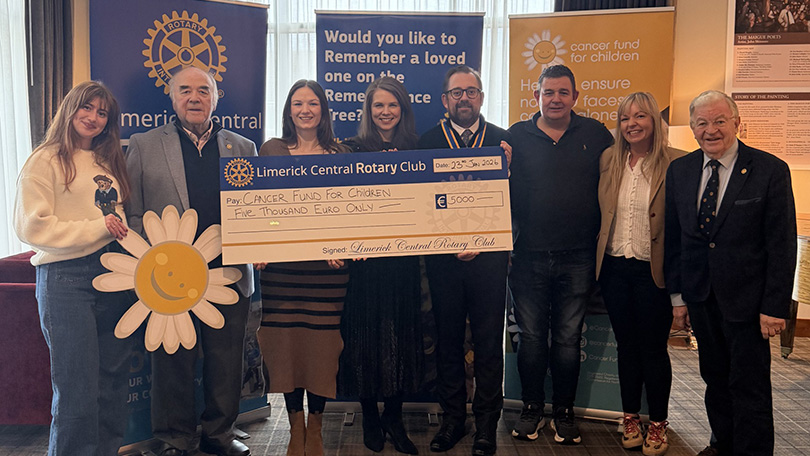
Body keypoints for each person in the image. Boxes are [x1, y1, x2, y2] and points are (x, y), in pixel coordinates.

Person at [126, 66, 256, 456]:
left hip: (228, 271)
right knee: (171, 359)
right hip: (168, 275)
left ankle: (219, 433)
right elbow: (133, 213)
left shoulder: (243, 148)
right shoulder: (144, 145)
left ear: (216, 98)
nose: (195, 97)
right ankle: (173, 436)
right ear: (172, 97)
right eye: (185, 90)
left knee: (226, 359)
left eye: (204, 90)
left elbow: (259, 211)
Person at [665, 90, 797, 456]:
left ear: (737, 123)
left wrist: (775, 306)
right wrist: (678, 297)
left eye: (719, 121)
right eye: (702, 123)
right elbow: (676, 240)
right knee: (715, 380)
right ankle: (722, 443)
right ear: (692, 127)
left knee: (749, 384)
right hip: (701, 297)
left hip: (750, 303)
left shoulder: (769, 170)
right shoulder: (681, 170)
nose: (711, 130)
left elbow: (782, 244)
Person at [14, 80, 134, 456]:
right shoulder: (45, 159)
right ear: (70, 109)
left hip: (112, 276)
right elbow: (32, 227)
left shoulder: (106, 161)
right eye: (87, 108)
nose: (94, 118)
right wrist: (98, 227)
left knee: (112, 385)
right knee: (77, 393)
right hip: (66, 279)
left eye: (102, 113)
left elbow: (114, 220)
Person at [508, 64, 613, 445]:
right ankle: (532, 408)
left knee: (569, 339)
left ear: (575, 97)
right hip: (528, 256)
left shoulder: (597, 135)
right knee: (532, 338)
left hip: (578, 256)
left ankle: (564, 411)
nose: (555, 99)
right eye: (548, 92)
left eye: (563, 92)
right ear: (535, 97)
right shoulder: (514, 137)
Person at [417, 65, 512, 456]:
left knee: (490, 342)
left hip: (490, 260)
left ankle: (487, 424)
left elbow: (517, 202)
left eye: (472, 92)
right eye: (457, 93)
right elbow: (419, 206)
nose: (464, 99)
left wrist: (513, 170)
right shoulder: (426, 143)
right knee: (448, 340)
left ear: (482, 98)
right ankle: (453, 419)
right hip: (444, 260)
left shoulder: (504, 143)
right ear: (445, 100)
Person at [256, 79, 349, 456]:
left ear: (324, 110)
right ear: (288, 110)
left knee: (320, 348)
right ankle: (295, 427)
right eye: (298, 103)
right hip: (281, 270)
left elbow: (349, 209)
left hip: (327, 272)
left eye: (313, 103)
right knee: (286, 346)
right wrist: (256, 244)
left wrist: (341, 243)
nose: (305, 110)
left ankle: (317, 428)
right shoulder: (271, 150)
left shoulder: (340, 153)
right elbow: (257, 205)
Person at [595, 93, 686, 456]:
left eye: (640, 116)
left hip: (654, 272)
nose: (632, 124)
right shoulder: (609, 160)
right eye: (624, 118)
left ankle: (659, 422)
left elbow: (680, 229)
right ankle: (630, 416)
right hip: (615, 267)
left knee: (653, 350)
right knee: (626, 348)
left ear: (654, 123)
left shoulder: (676, 164)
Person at [338, 76, 423, 455]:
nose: (385, 112)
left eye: (392, 105)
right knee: (365, 339)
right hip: (365, 264)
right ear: (368, 112)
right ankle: (370, 414)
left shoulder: (420, 149)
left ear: (402, 109)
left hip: (404, 263)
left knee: (401, 339)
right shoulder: (350, 150)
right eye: (378, 106)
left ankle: (395, 415)